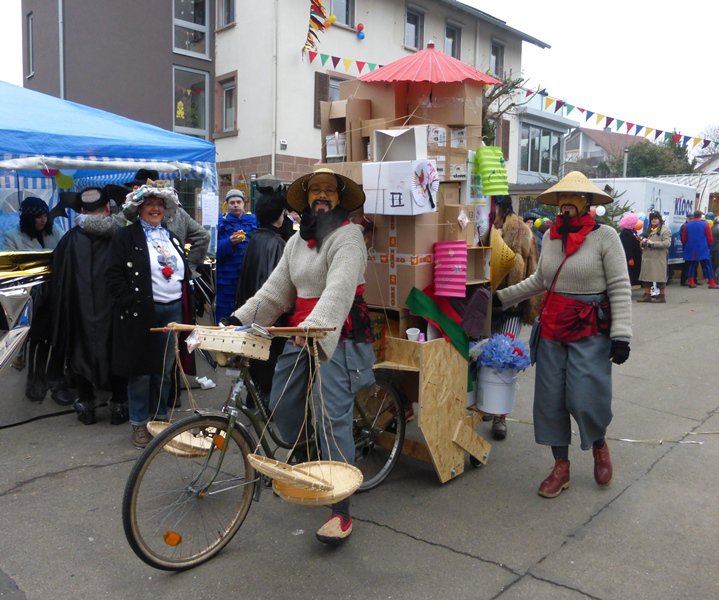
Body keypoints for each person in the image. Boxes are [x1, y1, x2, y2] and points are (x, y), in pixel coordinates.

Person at [229, 167, 375, 545]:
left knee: (331, 415)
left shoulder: (350, 237)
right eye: (315, 190)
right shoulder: (297, 241)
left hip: (337, 330)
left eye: (329, 190)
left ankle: (341, 508)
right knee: (281, 404)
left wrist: (315, 326)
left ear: (340, 199)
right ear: (307, 199)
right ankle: (315, 459)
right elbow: (275, 291)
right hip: (300, 332)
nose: (321, 195)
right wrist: (237, 321)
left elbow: (339, 291)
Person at [495, 171, 632, 499]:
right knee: (550, 400)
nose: (567, 203)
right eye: (562, 198)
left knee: (586, 397)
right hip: (552, 327)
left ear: (588, 202)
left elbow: (619, 287)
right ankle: (561, 466)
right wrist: (500, 299)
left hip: (590, 328)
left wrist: (622, 335)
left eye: (575, 197)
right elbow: (539, 281)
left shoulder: (606, 237)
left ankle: (598, 443)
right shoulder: (552, 238)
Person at [105, 182, 194, 448]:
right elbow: (112, 274)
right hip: (141, 312)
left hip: (173, 309)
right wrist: (130, 301)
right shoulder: (125, 236)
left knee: (164, 369)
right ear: (139, 208)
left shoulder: (170, 235)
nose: (155, 208)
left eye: (159, 204)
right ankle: (140, 423)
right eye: (149, 204)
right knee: (141, 370)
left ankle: (160, 419)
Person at [50, 186, 129, 425]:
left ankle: (87, 402)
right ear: (107, 209)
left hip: (80, 312)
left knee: (80, 350)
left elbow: (58, 282)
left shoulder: (68, 240)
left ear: (81, 211)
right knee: (116, 349)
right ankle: (118, 403)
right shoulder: (120, 237)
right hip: (114, 311)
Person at [489, 196, 540, 440]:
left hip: (511, 305)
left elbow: (518, 269)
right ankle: (487, 404)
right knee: (483, 356)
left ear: (500, 206)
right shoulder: (486, 226)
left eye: (492, 207)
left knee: (504, 357)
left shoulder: (518, 229)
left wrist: (508, 300)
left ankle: (500, 416)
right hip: (487, 305)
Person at [235, 186, 289, 401]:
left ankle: (254, 398)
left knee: (256, 357)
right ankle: (266, 401)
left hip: (252, 308)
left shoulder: (256, 238)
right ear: (279, 216)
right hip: (269, 314)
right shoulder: (277, 243)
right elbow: (278, 287)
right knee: (270, 359)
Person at [215, 189, 257, 324]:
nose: (235, 205)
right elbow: (213, 250)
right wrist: (229, 243)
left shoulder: (253, 221)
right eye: (232, 202)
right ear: (227, 204)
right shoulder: (220, 223)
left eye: (238, 202)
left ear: (244, 204)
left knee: (247, 311)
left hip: (249, 275)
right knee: (225, 313)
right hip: (227, 279)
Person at [637, 211, 672, 303]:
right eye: (652, 219)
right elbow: (642, 241)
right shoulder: (648, 229)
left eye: (655, 218)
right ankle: (647, 295)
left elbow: (667, 243)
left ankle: (661, 296)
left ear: (659, 219)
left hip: (658, 258)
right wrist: (643, 243)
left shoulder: (665, 230)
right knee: (646, 278)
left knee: (659, 278)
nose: (654, 220)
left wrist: (653, 244)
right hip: (647, 258)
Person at [681, 210, 717, 289]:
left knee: (691, 265)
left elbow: (684, 238)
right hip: (703, 247)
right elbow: (710, 238)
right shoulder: (705, 224)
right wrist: (708, 246)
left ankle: (691, 282)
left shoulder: (687, 225)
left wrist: (687, 245)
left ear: (694, 216)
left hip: (691, 248)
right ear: (700, 216)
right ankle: (711, 283)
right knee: (707, 265)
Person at [617, 212, 642, 287]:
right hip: (631, 258)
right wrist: (630, 258)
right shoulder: (625, 233)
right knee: (630, 275)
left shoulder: (632, 232)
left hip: (635, 257)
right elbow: (626, 247)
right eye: (635, 222)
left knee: (633, 274)